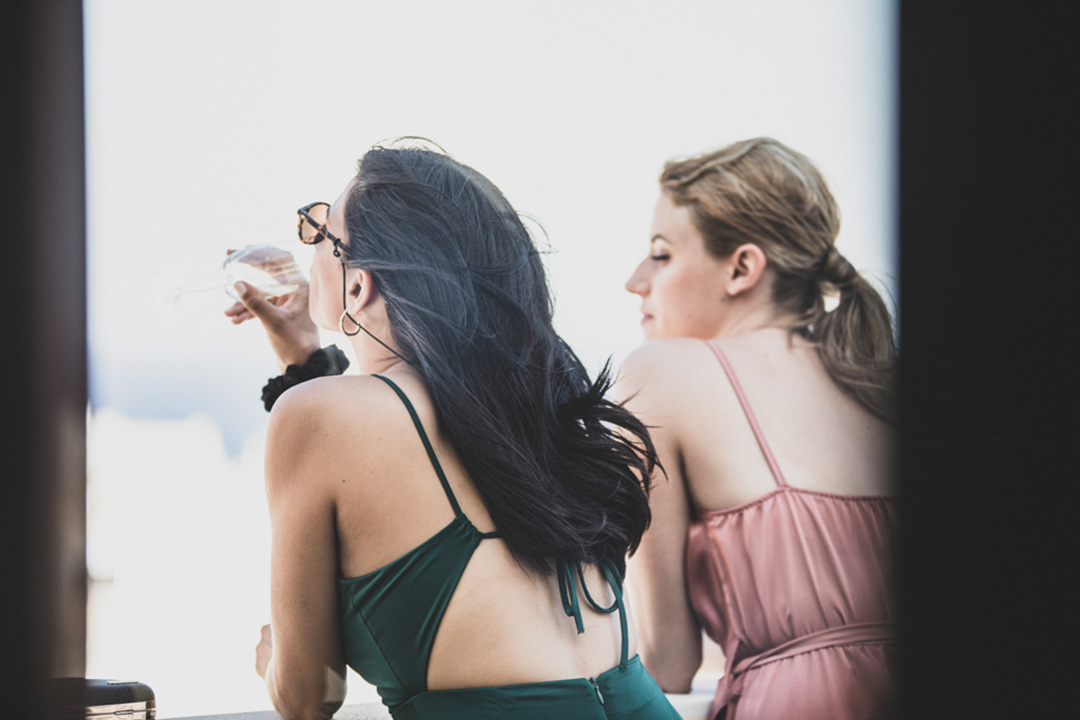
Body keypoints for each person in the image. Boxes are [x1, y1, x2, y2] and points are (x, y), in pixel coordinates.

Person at [225, 141, 683, 720]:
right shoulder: (535, 408)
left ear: (358, 286)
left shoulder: (316, 417)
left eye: (318, 231)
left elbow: (307, 699)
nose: (306, 245)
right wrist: (303, 356)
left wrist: (273, 662)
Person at [613, 137, 897, 720]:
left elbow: (668, 661)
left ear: (742, 268)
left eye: (661, 255)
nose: (635, 280)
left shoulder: (660, 374)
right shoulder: (874, 380)